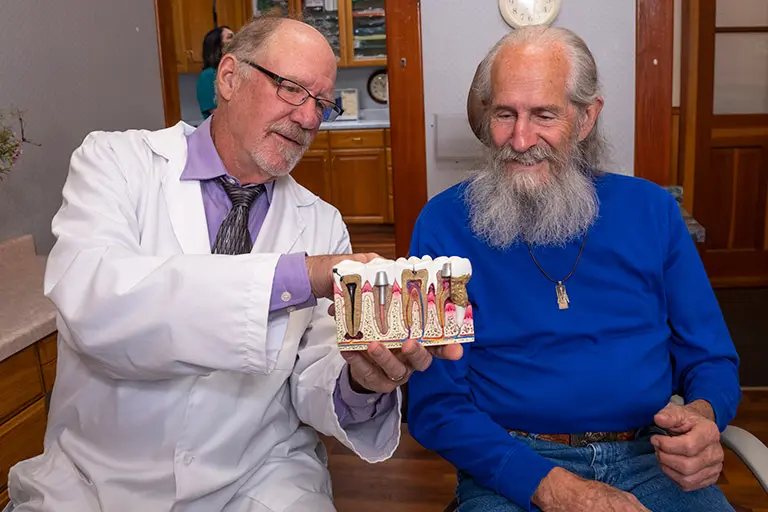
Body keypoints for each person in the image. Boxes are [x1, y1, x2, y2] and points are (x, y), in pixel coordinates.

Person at [6, 17, 461, 512]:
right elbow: (93, 301)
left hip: (259, 477)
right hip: (95, 479)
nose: (309, 119)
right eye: (292, 90)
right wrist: (300, 276)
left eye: (322, 104)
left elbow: (313, 376)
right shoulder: (115, 164)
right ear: (228, 78)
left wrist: (361, 381)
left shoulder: (322, 222)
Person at [407, 26, 740, 512]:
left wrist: (704, 418)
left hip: (652, 457)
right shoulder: (442, 224)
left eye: (544, 114)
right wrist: (552, 487)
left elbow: (711, 358)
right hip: (512, 466)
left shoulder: (652, 210)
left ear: (586, 118)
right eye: (504, 114)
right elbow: (436, 405)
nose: (520, 139)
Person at [197, 26, 234, 119]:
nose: (236, 39)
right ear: (218, 46)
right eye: (230, 37)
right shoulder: (208, 76)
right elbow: (217, 113)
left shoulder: (237, 72)